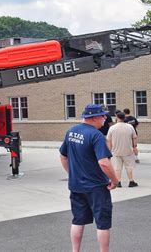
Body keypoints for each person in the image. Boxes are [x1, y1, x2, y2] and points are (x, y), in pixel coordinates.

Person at [59, 104, 119, 252]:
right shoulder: (96, 135)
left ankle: (75, 250)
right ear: (94, 117)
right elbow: (104, 163)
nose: (105, 118)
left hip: (76, 186)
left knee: (78, 220)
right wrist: (115, 180)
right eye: (103, 115)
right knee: (102, 223)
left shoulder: (72, 131)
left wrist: (72, 174)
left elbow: (63, 156)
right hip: (97, 187)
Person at [106, 112, 138, 188]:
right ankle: (131, 181)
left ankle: (118, 182)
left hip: (116, 151)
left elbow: (108, 140)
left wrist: (109, 150)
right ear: (124, 118)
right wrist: (134, 147)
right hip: (128, 150)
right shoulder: (130, 127)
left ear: (117, 117)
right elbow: (134, 137)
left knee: (117, 168)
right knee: (129, 166)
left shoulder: (112, 128)